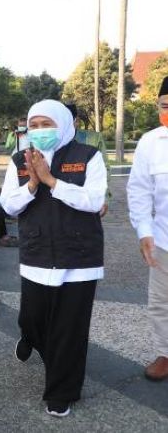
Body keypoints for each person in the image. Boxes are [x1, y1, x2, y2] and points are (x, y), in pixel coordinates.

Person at [0, 99, 107, 417]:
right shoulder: (19, 159)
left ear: (64, 123)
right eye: (33, 125)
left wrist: (51, 181)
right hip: (36, 255)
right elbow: (8, 205)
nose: (39, 131)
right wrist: (32, 183)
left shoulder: (88, 156)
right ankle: (33, 338)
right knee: (33, 318)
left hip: (79, 258)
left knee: (69, 329)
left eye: (46, 124)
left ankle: (62, 392)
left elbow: (94, 200)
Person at [126, 76, 168, 382]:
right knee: (161, 302)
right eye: (165, 105)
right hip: (164, 239)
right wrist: (143, 230)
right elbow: (139, 190)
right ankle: (166, 353)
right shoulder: (150, 142)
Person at [67, 103, 110, 217]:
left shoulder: (93, 139)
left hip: (88, 199)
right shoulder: (50, 141)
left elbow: (104, 169)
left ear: (76, 121)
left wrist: (103, 197)